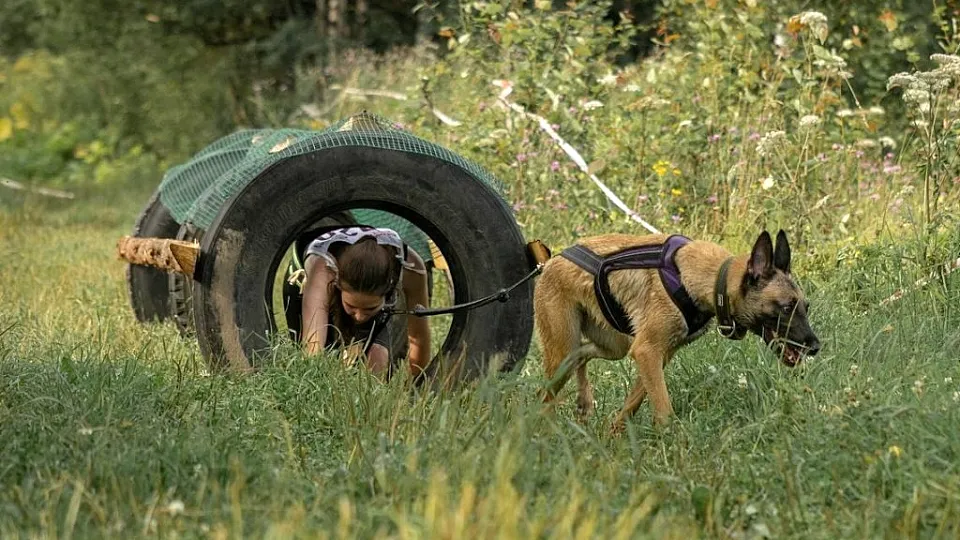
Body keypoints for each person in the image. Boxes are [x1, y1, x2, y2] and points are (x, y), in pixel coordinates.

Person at [283, 225, 432, 379]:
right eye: (351, 306)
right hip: (309, 271)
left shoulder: (411, 267)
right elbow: (312, 350)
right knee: (325, 356)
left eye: (369, 308)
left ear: (389, 288)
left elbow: (418, 335)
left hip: (373, 271)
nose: (359, 316)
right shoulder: (323, 271)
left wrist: (416, 383)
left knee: (378, 356)